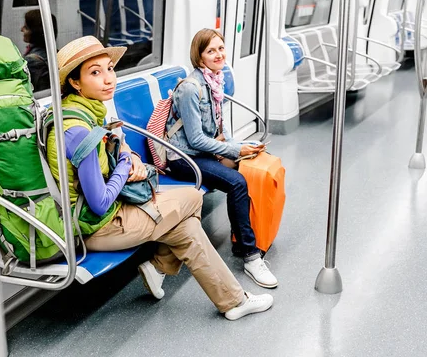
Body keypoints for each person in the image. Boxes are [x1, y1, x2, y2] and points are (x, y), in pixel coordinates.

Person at [46, 36, 273, 320]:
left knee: (186, 223)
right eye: (95, 72)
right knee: (190, 202)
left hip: (107, 215)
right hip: (98, 227)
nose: (108, 79)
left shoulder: (85, 112)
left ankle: (231, 300)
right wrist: (126, 166)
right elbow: (100, 202)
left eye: (109, 69)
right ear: (75, 83)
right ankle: (162, 267)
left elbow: (117, 142)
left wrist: (131, 159)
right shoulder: (78, 130)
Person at [165, 28, 278, 289]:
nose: (218, 54)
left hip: (204, 152)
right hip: (184, 158)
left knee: (258, 164)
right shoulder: (191, 89)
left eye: (221, 48)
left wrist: (242, 145)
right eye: (211, 50)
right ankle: (250, 257)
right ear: (199, 56)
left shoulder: (215, 81)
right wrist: (235, 151)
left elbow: (220, 131)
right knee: (237, 182)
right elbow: (195, 140)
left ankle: (247, 237)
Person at [21, 9, 58, 93]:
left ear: (35, 33)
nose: (21, 29)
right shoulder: (55, 53)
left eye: (26, 28)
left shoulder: (32, 61)